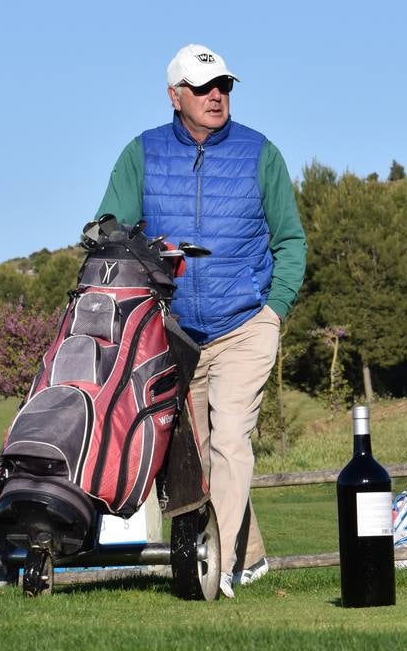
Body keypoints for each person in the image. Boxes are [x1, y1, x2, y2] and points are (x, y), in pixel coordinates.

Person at [97, 43, 307, 597]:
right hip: (173, 332)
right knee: (194, 456)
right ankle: (250, 555)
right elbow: (110, 228)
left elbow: (291, 241)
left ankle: (224, 574)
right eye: (203, 87)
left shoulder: (261, 154)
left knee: (231, 440)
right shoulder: (140, 154)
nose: (217, 96)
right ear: (175, 95)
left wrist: (274, 308)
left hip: (245, 324)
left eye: (225, 87)